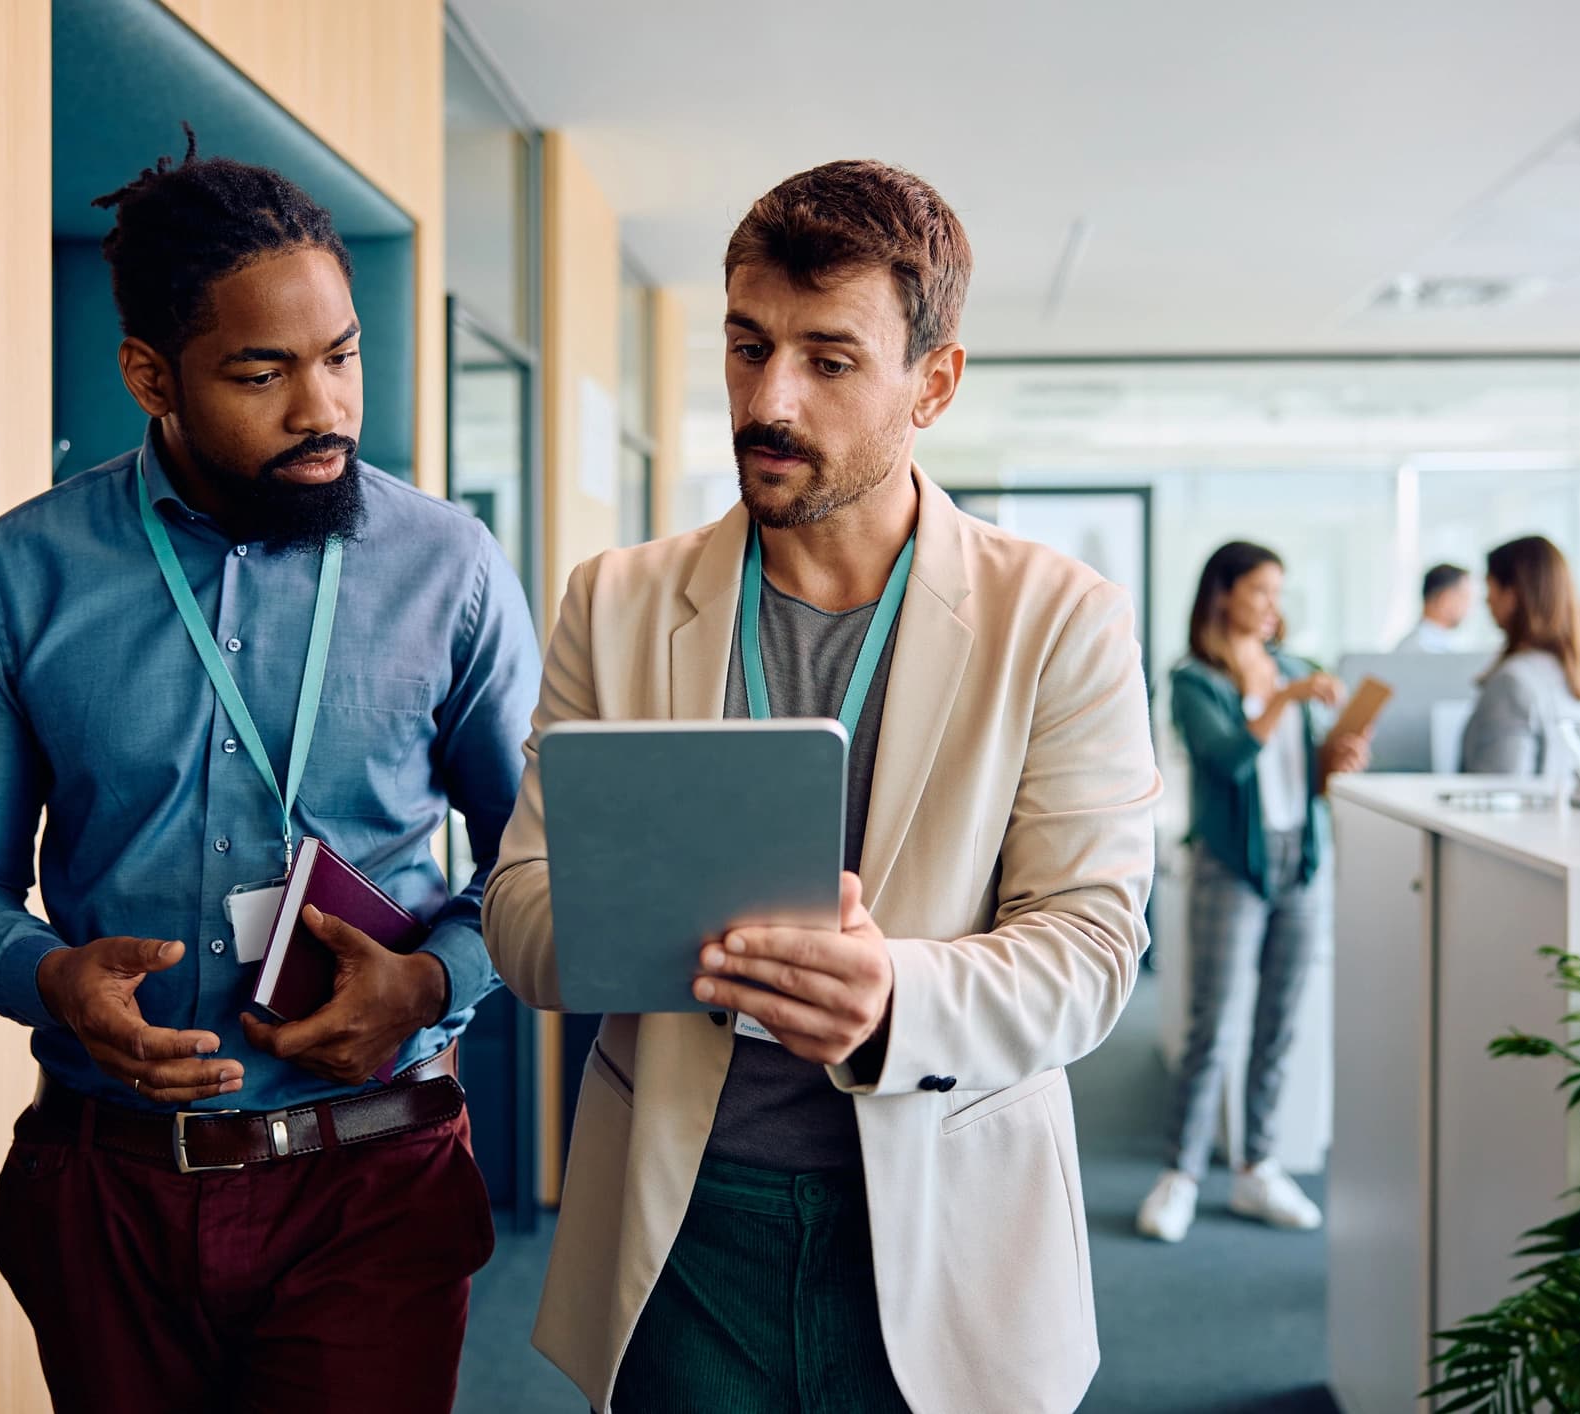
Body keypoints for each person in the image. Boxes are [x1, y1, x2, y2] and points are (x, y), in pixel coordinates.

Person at [483, 161, 1162, 1414]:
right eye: (748, 348)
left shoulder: (1059, 619)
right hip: (682, 1227)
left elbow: (1090, 951)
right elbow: (520, 911)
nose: (769, 399)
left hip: (946, 1224)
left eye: (829, 359)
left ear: (934, 384)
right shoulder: (617, 600)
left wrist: (891, 990)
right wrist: (651, 919)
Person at [0, 134, 539, 1414]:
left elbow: (542, 856)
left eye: (343, 355)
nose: (325, 410)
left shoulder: (451, 568)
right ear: (151, 375)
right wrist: (48, 979)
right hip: (107, 1194)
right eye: (265, 373)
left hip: (376, 1176)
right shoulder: (18, 575)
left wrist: (427, 980)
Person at [1136, 543, 1370, 1245]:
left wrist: (1337, 761)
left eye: (1277, 592)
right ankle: (1178, 1173)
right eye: (1261, 591)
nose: (1273, 605)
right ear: (1224, 594)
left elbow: (1306, 781)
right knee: (1214, 1026)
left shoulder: (1295, 671)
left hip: (1299, 859)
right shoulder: (1192, 681)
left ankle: (1256, 1167)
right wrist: (1281, 700)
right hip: (1228, 864)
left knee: (1281, 1021)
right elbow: (1231, 761)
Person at [1461, 535, 1580, 780]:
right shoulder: (1570, 675)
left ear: (1512, 594)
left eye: (1490, 587)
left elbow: (1501, 790)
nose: (1486, 600)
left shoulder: (1512, 683)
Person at [1394, 562, 1472, 651]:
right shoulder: (1417, 649)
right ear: (1445, 600)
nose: (1469, 607)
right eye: (1465, 598)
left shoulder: (1443, 645)